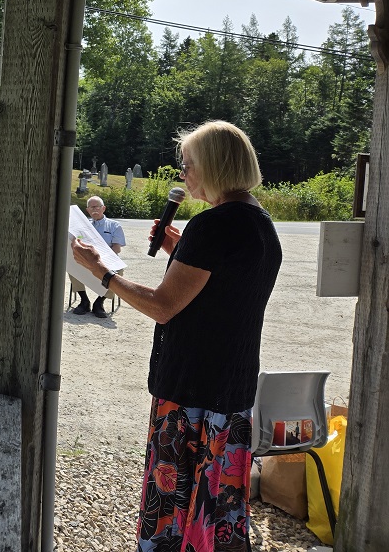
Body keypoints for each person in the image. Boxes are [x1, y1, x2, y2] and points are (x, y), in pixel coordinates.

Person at [71, 120, 282, 552]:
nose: (182, 175)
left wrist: (102, 271)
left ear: (215, 166)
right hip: (233, 391)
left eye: (188, 165)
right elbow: (223, 289)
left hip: (192, 392)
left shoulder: (213, 226)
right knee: (216, 511)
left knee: (173, 510)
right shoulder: (260, 223)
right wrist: (178, 251)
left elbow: (163, 306)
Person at [71, 195, 126, 319]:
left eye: (97, 207)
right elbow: (78, 243)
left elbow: (117, 248)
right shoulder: (83, 226)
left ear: (103, 208)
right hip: (87, 260)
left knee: (119, 272)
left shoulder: (114, 226)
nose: (94, 209)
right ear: (87, 211)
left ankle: (99, 302)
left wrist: (102, 260)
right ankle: (84, 300)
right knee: (72, 265)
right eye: (91, 207)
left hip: (107, 261)